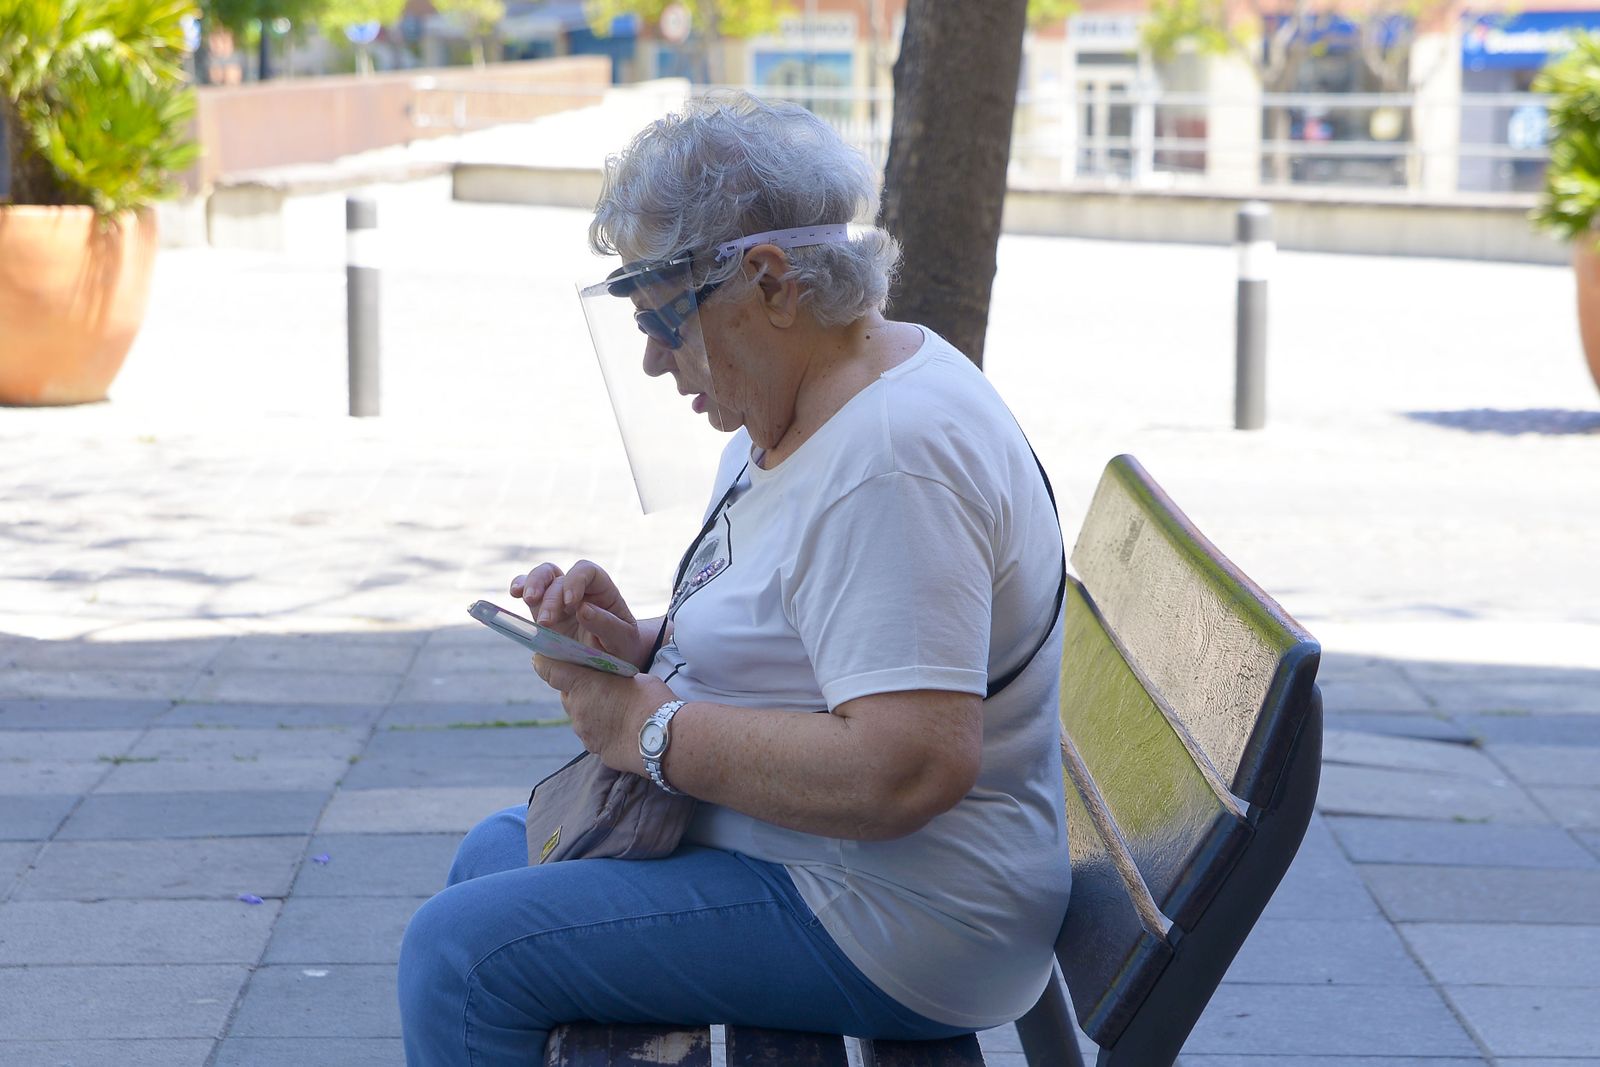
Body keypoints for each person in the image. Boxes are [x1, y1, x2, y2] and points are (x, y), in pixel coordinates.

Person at [398, 92, 1070, 1066]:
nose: (651, 358)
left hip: (902, 914)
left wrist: (649, 728)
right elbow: (822, 624)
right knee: (492, 857)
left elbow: (909, 765)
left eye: (666, 316)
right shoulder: (817, 395)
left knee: (459, 957)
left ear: (771, 282)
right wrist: (640, 644)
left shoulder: (890, 459)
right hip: (832, 862)